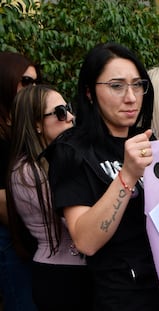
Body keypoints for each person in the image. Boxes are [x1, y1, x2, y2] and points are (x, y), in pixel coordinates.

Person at [45, 42, 159, 310]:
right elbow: (85, 241)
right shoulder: (72, 150)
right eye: (116, 86)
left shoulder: (148, 141)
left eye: (137, 85)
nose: (131, 97)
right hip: (121, 295)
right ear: (89, 92)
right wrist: (127, 175)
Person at [6, 85, 93, 310]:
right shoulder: (27, 171)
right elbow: (79, 226)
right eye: (60, 112)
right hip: (61, 277)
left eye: (69, 109)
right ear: (36, 123)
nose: (71, 117)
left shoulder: (50, 162)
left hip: (67, 271)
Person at [0, 51, 38, 311]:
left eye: (36, 82)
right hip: (11, 243)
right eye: (26, 81)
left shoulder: (24, 130)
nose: (32, 89)